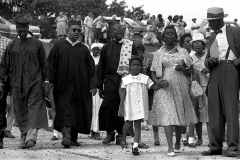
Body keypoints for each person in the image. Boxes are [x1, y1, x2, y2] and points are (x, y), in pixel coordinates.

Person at [148, 25, 198, 157]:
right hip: (164, 87)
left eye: (172, 34)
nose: (170, 35)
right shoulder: (159, 53)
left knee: (178, 115)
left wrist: (183, 69)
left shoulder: (183, 52)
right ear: (163, 37)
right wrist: (157, 82)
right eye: (167, 34)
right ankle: (170, 147)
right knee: (168, 116)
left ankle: (177, 143)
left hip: (180, 86)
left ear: (176, 37)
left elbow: (190, 70)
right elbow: (152, 71)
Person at [0, 17, 49, 149]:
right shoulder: (11, 45)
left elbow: (44, 65)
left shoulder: (37, 44)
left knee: (34, 108)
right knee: (21, 111)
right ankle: (24, 136)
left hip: (35, 82)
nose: (22, 33)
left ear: (28, 29)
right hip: (16, 84)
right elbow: (4, 65)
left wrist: (46, 80)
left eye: (24, 31)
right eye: (19, 31)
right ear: (16, 29)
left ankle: (31, 137)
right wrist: (1, 81)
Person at [48, 20, 96, 148]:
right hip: (62, 87)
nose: (76, 33)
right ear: (68, 30)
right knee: (64, 110)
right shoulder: (59, 46)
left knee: (78, 112)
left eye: (78, 31)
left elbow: (91, 68)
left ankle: (73, 138)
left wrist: (93, 84)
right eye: (73, 30)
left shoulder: (84, 49)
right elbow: (51, 65)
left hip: (81, 87)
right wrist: (50, 81)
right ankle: (66, 136)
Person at [202, 7, 240, 157]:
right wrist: (208, 61)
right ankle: (215, 146)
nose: (210, 24)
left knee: (231, 110)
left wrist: (237, 62)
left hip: (231, 69)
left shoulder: (235, 31)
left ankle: (232, 147)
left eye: (212, 22)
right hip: (214, 71)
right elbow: (206, 58)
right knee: (214, 111)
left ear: (220, 20)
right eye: (209, 21)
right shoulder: (211, 36)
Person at [97, 24, 138, 145]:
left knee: (123, 106)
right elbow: (101, 67)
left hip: (125, 79)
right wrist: (99, 86)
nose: (118, 30)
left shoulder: (130, 46)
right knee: (109, 106)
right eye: (115, 29)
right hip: (110, 79)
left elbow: (136, 63)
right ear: (111, 33)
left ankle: (121, 134)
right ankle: (110, 133)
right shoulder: (106, 47)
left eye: (120, 29)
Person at [118, 56, 161, 155]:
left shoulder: (145, 78)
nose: (136, 67)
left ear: (141, 67)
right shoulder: (125, 79)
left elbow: (153, 86)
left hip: (140, 105)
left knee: (137, 124)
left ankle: (135, 146)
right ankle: (134, 138)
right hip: (129, 105)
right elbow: (123, 91)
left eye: (138, 65)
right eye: (134, 65)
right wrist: (121, 104)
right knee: (128, 124)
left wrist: (160, 84)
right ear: (130, 67)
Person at [189, 33, 210, 147]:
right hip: (195, 89)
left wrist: (207, 70)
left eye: (199, 43)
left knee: (208, 114)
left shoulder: (208, 56)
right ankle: (200, 138)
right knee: (197, 114)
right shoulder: (190, 57)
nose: (197, 45)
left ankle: (211, 139)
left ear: (203, 45)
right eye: (194, 43)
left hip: (207, 87)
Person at [90, 43, 104, 140]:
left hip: (99, 87)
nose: (96, 51)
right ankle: (91, 130)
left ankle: (96, 130)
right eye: (94, 49)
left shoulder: (102, 60)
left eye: (98, 49)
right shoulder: (88, 59)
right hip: (91, 87)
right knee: (91, 109)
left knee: (98, 109)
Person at [0, 33, 12, 149]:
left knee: (1, 109)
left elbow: (9, 65)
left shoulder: (7, 43)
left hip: (2, 81)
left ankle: (0, 138)